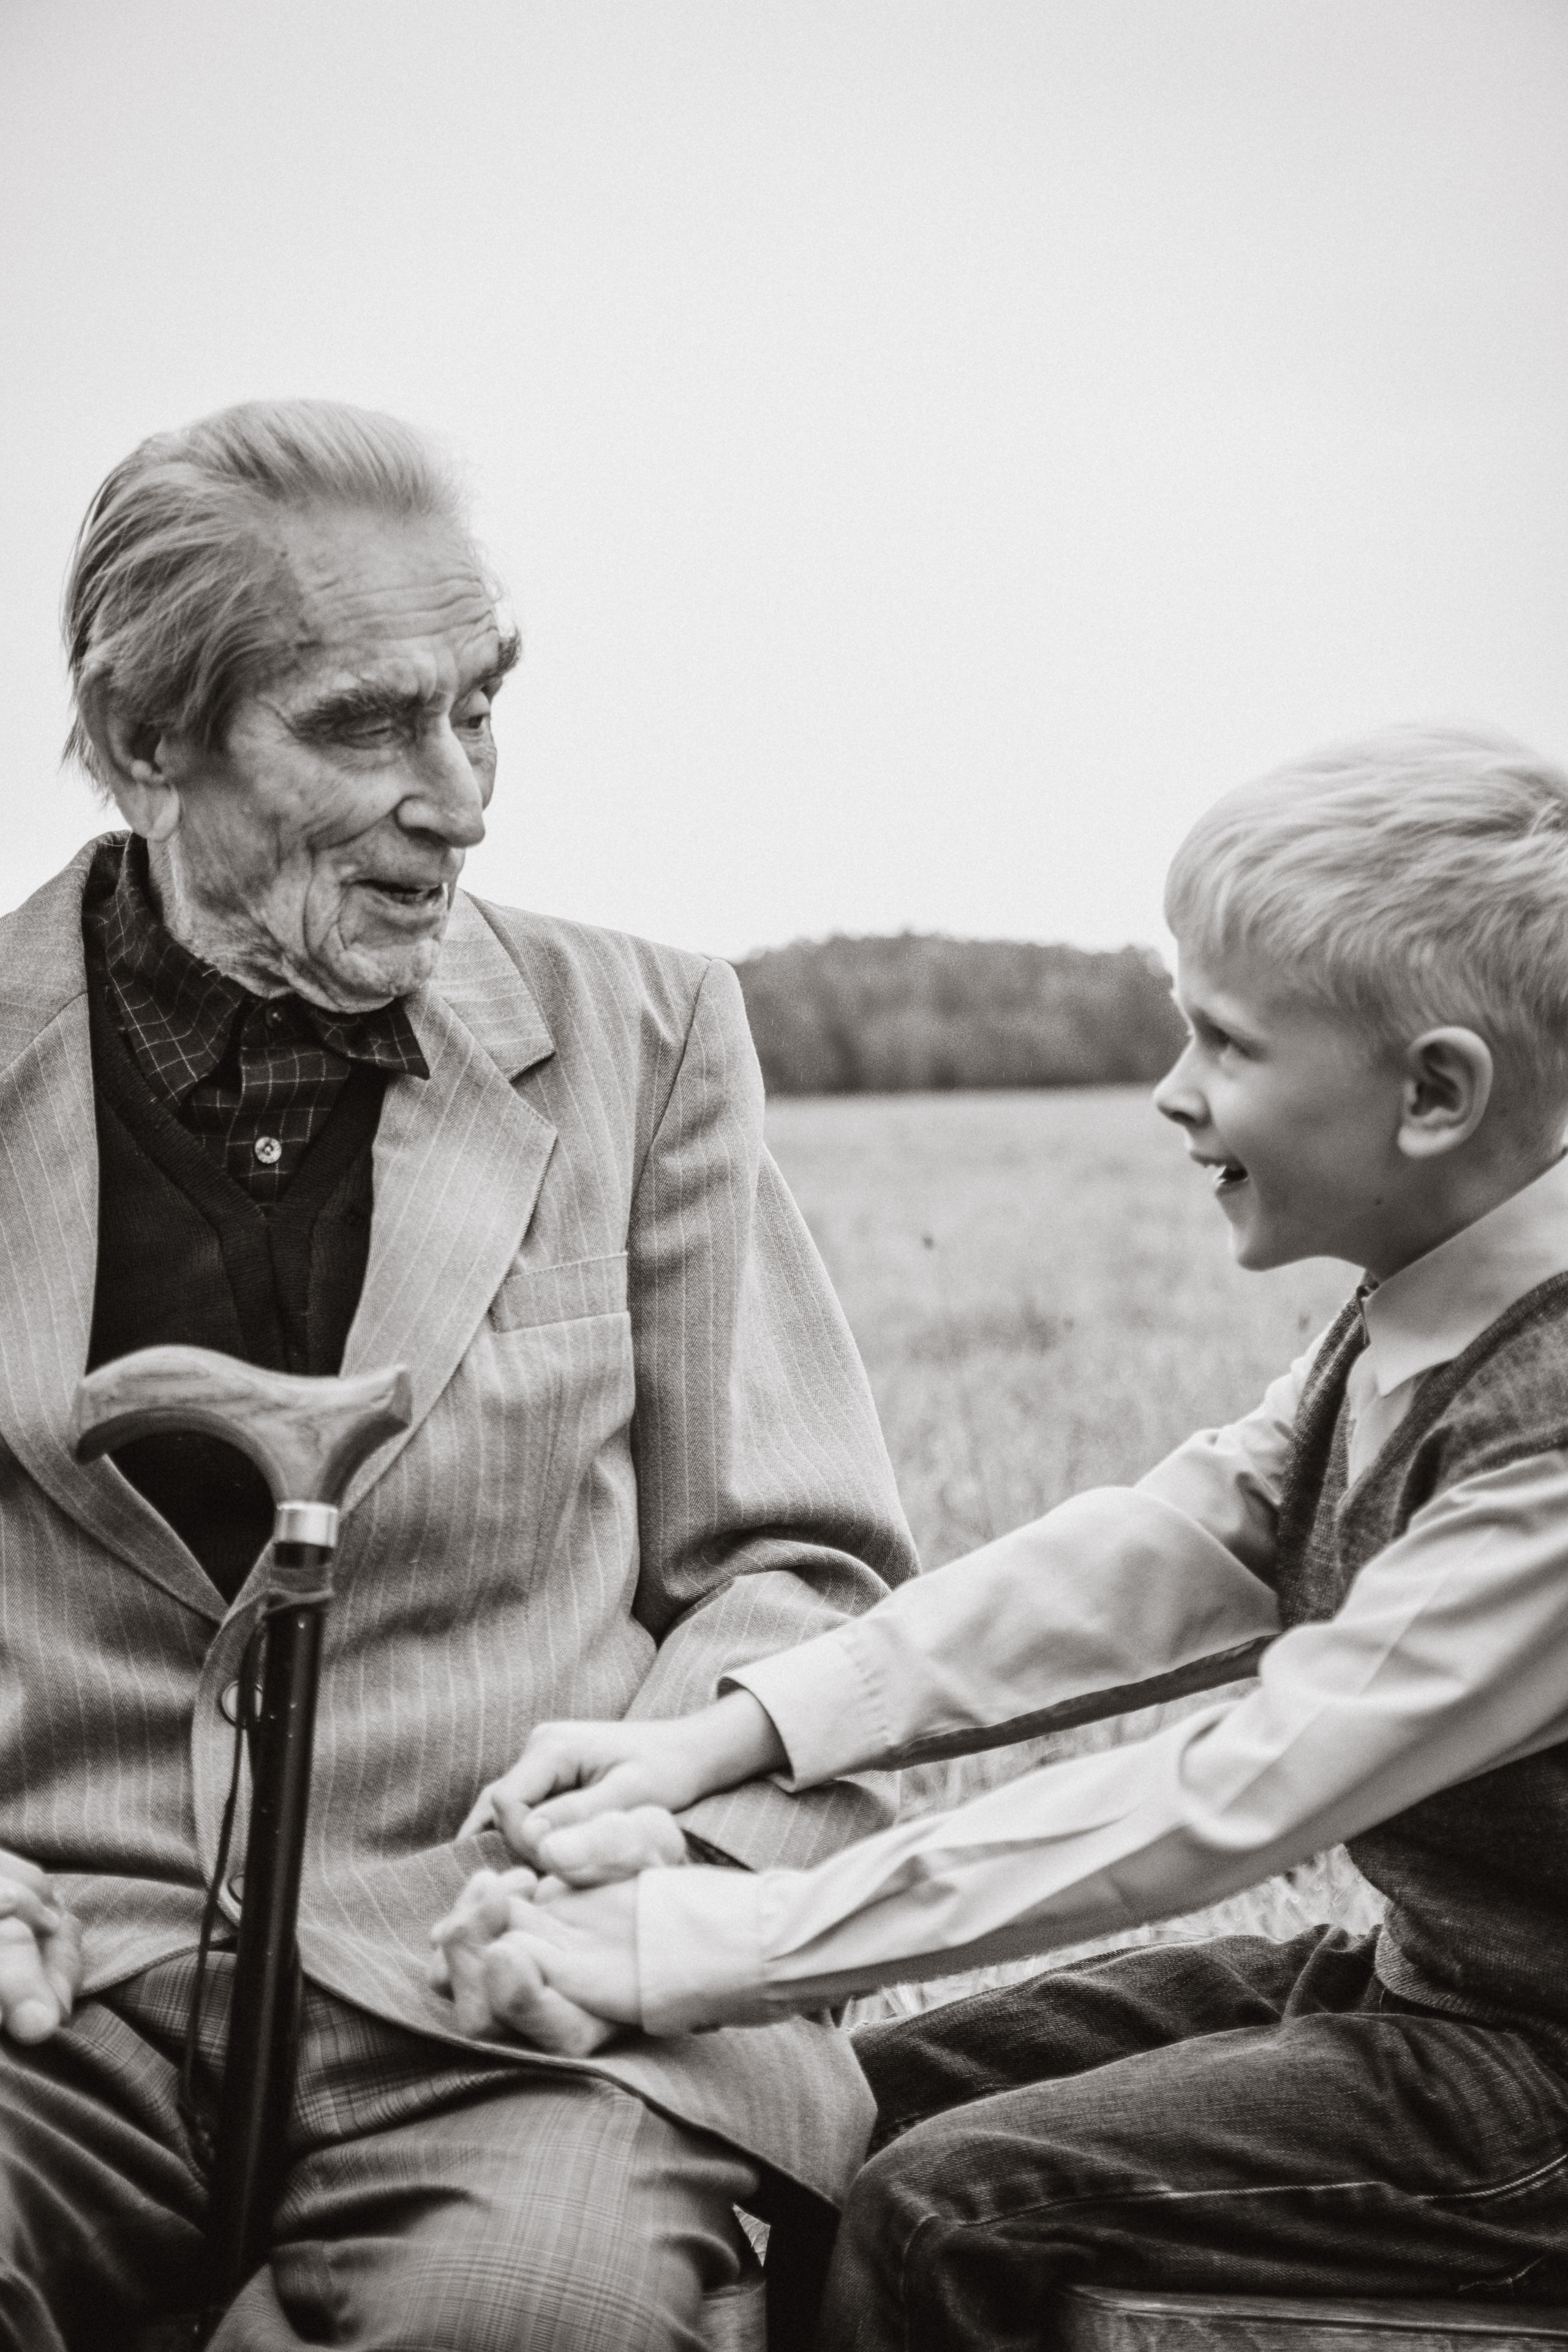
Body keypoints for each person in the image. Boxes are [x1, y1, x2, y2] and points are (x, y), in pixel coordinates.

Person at [437, 725, 1568, 2351]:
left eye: (1225, 1042)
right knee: (853, 2101)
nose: (1172, 1093)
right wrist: (717, 1741)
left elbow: (1254, 1779)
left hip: (1540, 2092)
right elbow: (1144, 1557)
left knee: (946, 2209)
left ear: (1436, 1093)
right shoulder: (1410, 1327)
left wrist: (720, 1936)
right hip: (1442, 1994)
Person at [0, 398, 918, 2351]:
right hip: (51, 2004)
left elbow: (801, 1581)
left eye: (480, 705)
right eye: (364, 724)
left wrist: (666, 1875)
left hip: (527, 2021)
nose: (465, 795)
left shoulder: (649, 1038)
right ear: (151, 734)